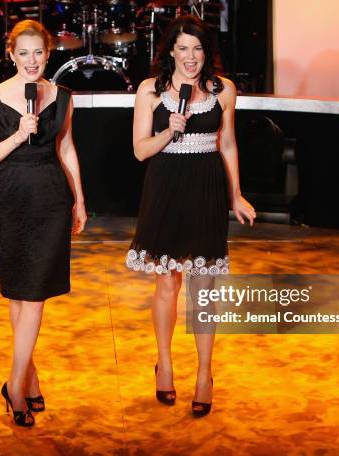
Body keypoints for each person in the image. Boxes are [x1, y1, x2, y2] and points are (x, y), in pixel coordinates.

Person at [126, 15, 256, 418]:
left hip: (205, 186)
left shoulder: (223, 90)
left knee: (203, 285)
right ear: (170, 51)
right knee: (168, 282)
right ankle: (164, 364)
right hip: (164, 186)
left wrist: (235, 195)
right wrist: (170, 130)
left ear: (207, 52)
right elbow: (140, 151)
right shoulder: (150, 91)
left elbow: (228, 144)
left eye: (197, 48)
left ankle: (204, 373)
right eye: (183, 48)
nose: (190, 57)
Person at [0, 19, 87, 427]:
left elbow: (67, 148)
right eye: (23, 53)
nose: (31, 61)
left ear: (48, 53)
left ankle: (15, 386)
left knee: (36, 296)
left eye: (38, 52)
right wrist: (18, 135)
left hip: (50, 198)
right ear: (11, 54)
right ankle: (29, 379)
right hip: (12, 196)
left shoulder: (62, 96)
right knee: (19, 297)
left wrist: (79, 200)